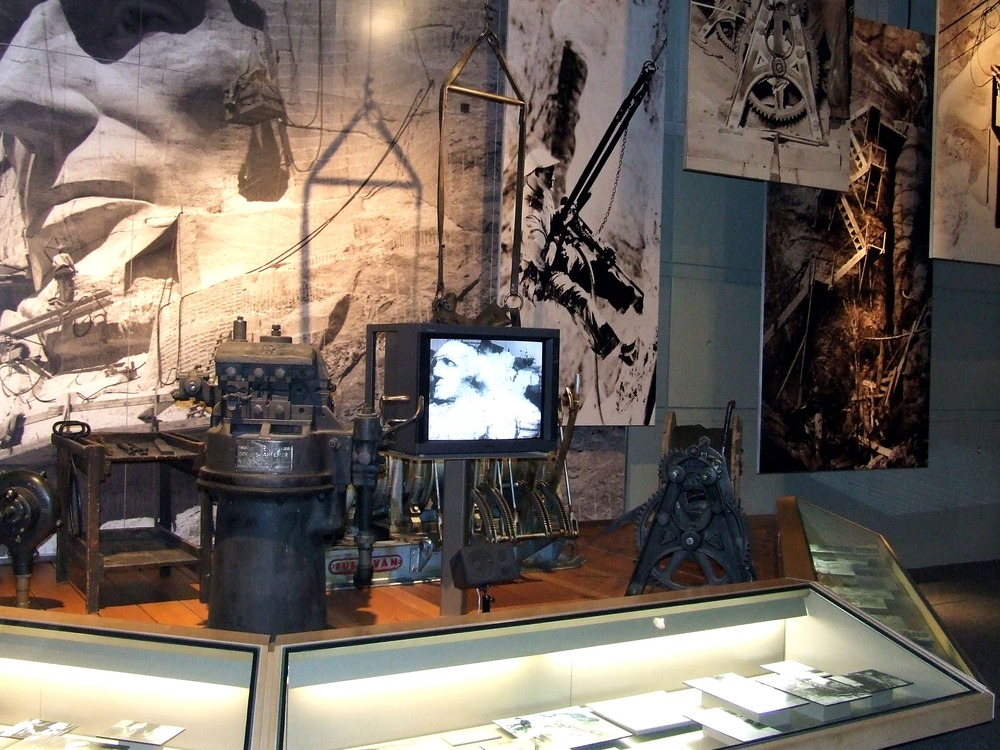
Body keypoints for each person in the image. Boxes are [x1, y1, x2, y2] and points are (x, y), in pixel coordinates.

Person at [519, 146, 641, 364]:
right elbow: (541, 260)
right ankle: (617, 351)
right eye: (548, 172)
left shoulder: (543, 193)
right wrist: (557, 236)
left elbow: (551, 222)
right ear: (534, 173)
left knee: (594, 270)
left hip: (557, 255)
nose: (553, 176)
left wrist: (563, 218)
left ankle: (631, 301)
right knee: (578, 298)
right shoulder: (528, 213)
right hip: (540, 275)